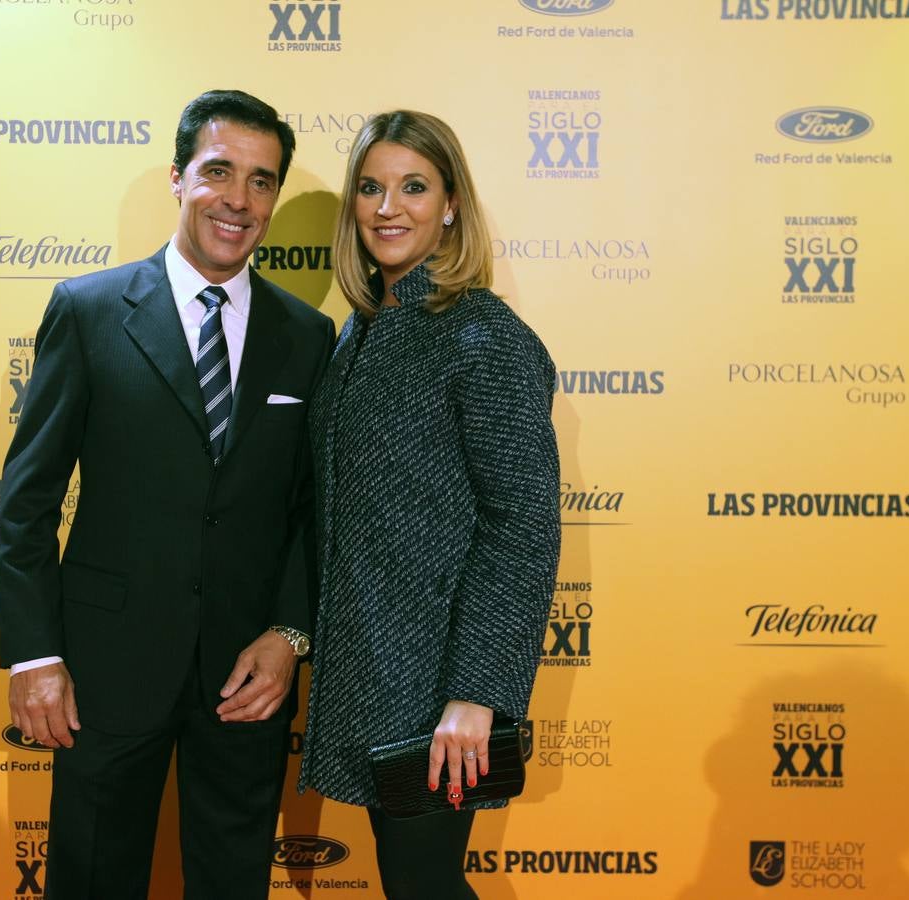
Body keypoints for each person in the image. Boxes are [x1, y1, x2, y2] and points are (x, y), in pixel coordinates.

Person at [0, 89, 334, 899]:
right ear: (179, 179)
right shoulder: (89, 310)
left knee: (231, 882)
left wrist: (289, 634)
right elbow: (27, 498)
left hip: (246, 674)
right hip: (105, 670)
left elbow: (310, 509)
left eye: (261, 181)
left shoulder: (307, 335)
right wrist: (35, 654)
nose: (239, 200)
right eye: (219, 172)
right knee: (92, 876)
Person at [298, 110, 561, 899]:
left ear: (450, 204)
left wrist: (477, 693)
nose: (388, 207)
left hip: (441, 687)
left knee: (423, 885)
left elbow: (521, 525)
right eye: (370, 188)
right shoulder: (360, 332)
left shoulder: (483, 335)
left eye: (413, 187)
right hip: (370, 670)